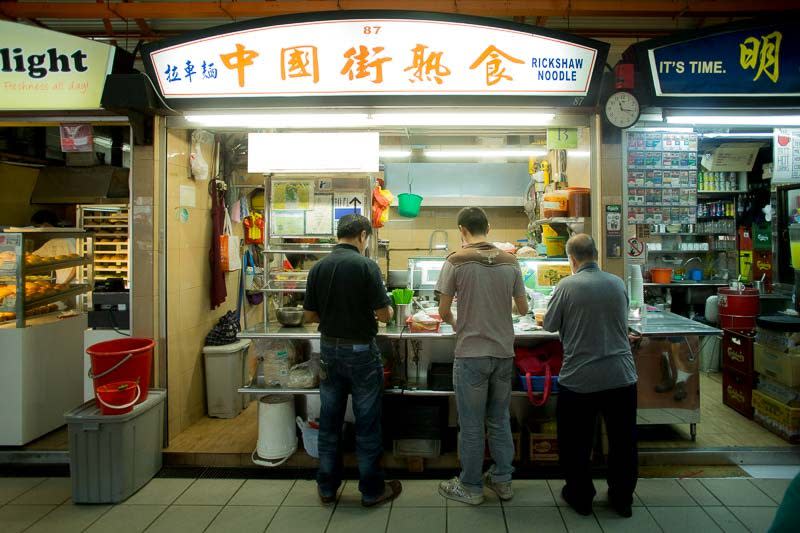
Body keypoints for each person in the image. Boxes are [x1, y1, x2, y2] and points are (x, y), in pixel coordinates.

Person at [303, 214, 401, 507]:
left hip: (329, 353)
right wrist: (387, 313)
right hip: (361, 354)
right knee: (367, 424)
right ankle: (371, 491)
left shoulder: (318, 267)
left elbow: (309, 316)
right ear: (362, 235)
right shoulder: (365, 266)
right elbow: (384, 314)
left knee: (330, 422)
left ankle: (327, 488)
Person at [435, 207, 528, 505]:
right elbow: (523, 309)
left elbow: (442, 311)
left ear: (462, 230)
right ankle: (503, 482)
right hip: (503, 353)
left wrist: (457, 322)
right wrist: (500, 311)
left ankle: (472, 487)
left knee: (472, 424)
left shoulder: (455, 260)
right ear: (488, 226)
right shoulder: (511, 261)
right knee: (499, 420)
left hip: (471, 354)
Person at [543, 234, 638, 518]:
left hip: (580, 379)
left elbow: (549, 325)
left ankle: (581, 497)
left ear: (571, 259)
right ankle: (622, 499)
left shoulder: (567, 285)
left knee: (576, 443)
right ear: (595, 254)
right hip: (621, 376)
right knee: (623, 442)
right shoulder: (617, 283)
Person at [31, 210, 77, 285]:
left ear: (46, 225)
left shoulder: (65, 240)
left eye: (37, 227)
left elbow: (78, 266)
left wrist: (65, 283)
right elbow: (34, 257)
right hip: (64, 284)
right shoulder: (53, 241)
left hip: (72, 285)